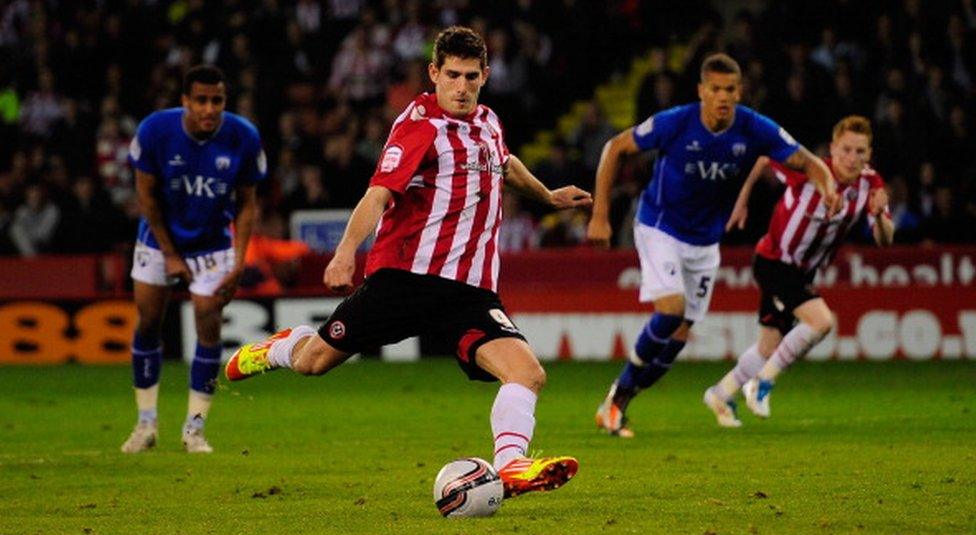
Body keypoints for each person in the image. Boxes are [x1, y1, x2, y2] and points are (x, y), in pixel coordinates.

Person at [224, 26, 590, 497]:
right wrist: (343, 254)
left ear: (486, 76)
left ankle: (513, 465)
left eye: (471, 77)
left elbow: (503, 160)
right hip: (405, 280)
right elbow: (378, 194)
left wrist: (547, 197)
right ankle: (279, 347)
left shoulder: (488, 121)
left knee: (528, 373)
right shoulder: (419, 126)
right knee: (315, 362)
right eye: (452, 75)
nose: (461, 87)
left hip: (468, 291)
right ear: (434, 73)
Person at [589, 53, 841, 438]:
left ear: (739, 92)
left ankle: (617, 403)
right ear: (701, 91)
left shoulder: (754, 128)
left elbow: (809, 161)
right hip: (660, 225)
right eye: (715, 89)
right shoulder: (677, 121)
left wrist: (827, 187)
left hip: (705, 243)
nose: (722, 97)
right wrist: (600, 215)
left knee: (677, 339)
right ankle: (618, 399)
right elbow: (615, 147)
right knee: (670, 310)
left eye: (730, 90)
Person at [704, 115, 893, 425]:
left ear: (869, 154)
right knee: (821, 322)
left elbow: (884, 240)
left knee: (769, 345)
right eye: (846, 149)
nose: (852, 158)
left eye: (860, 152)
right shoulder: (808, 168)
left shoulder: (871, 184)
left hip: (802, 272)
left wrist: (880, 217)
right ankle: (762, 383)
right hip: (773, 261)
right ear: (833, 148)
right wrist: (742, 200)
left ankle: (720, 394)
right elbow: (764, 155)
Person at [121, 65, 266, 453]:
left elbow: (248, 204)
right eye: (200, 100)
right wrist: (169, 255)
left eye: (216, 100)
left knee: (208, 318)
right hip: (157, 241)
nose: (209, 108)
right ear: (185, 101)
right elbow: (146, 197)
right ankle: (146, 423)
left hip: (213, 244)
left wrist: (239, 262)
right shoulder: (155, 131)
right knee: (149, 320)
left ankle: (194, 428)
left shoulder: (243, 137)